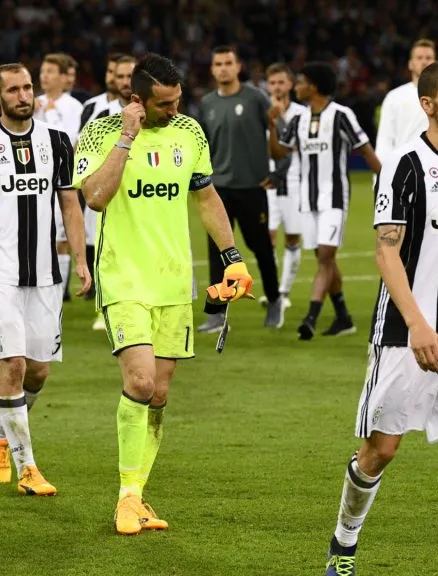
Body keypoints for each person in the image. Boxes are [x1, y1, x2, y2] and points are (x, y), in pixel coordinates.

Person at [323, 61, 438, 576]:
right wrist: (419, 323)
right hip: (404, 336)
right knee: (380, 450)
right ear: (428, 105)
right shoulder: (402, 164)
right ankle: (344, 540)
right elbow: (387, 253)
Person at [73, 53, 253, 535]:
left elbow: (206, 196)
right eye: (163, 104)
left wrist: (233, 256)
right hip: (123, 278)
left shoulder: (189, 132)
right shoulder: (100, 132)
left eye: (177, 101)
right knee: (141, 383)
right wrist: (127, 139)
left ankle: (137, 496)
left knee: (160, 394)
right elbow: (94, 196)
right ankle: (127, 498)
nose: (174, 110)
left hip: (174, 281)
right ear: (136, 100)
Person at [0, 63, 90, 495]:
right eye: (13, 90)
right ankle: (27, 468)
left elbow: (70, 203)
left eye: (28, 87)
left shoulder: (58, 141)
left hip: (46, 274)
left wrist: (81, 260)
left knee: (39, 372)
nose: (24, 95)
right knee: (12, 364)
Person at [269, 62, 381, 340]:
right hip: (308, 200)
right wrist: (272, 124)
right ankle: (343, 316)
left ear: (314, 86)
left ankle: (311, 317)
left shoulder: (342, 115)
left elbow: (366, 151)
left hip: (334, 198)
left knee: (326, 257)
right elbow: (279, 154)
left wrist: (389, 183)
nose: (296, 86)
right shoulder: (298, 120)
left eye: (301, 81)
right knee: (324, 258)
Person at [197, 45, 283, 332]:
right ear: (212, 69)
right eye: (218, 63)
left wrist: (276, 171)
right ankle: (217, 314)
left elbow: (277, 136)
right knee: (216, 251)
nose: (223, 68)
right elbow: (203, 147)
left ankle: (273, 301)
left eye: (228, 63)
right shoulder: (207, 103)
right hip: (218, 188)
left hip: (251, 187)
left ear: (238, 67)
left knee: (261, 248)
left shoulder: (255, 98)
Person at [86, 55, 137, 330]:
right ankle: (105, 310)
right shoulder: (97, 113)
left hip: (142, 195)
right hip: (107, 192)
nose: (125, 82)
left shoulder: (152, 113)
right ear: (112, 80)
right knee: (107, 252)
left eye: (131, 76)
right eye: (120, 77)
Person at [35, 53, 84, 300]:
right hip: (37, 178)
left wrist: (52, 115)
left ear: (64, 78)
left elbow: (70, 142)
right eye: (43, 71)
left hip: (62, 179)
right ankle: (41, 284)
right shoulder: (33, 103)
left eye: (51, 72)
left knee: (61, 239)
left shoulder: (73, 107)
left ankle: (60, 291)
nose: (45, 76)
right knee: (39, 236)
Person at [261, 62, 306, 310]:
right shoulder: (263, 111)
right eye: (272, 83)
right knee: (268, 236)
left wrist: (277, 122)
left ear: (290, 84)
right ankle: (273, 292)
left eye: (281, 82)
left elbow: (290, 150)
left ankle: (284, 291)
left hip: (294, 182)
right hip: (267, 181)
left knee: (291, 237)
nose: (276, 87)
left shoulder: (301, 113)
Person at [375, 39, 436, 159]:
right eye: (419, 58)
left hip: (437, 166)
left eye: (428, 58)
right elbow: (385, 138)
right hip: (404, 165)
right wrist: (381, 175)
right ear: (410, 64)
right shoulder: (394, 97)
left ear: (435, 63)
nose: (424, 61)